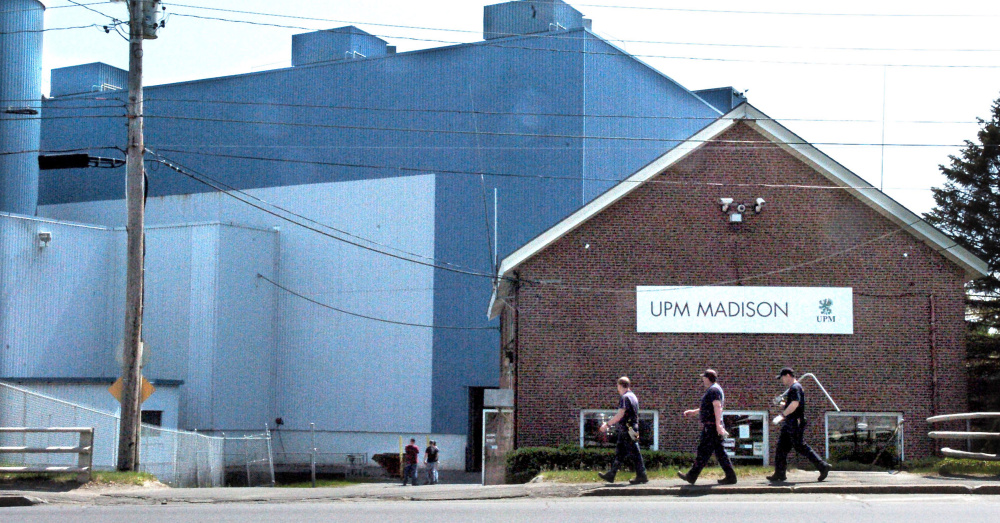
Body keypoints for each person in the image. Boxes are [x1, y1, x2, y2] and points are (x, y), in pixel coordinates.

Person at [767, 367, 831, 483]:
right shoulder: (794, 388)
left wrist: (782, 415)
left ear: (787, 375)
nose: (782, 381)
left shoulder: (795, 387)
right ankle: (779, 473)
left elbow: (795, 404)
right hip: (790, 422)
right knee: (781, 448)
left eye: (782, 378)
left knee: (800, 446)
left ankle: (823, 466)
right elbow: (791, 403)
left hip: (795, 422)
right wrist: (781, 403)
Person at [677, 369, 737, 485]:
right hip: (712, 427)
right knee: (719, 453)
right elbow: (709, 407)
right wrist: (694, 412)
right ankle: (730, 476)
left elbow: (717, 406)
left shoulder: (713, 390)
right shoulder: (714, 389)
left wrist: (718, 425)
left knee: (704, 452)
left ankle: (691, 476)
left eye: (703, 378)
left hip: (712, 427)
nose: (702, 380)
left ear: (708, 378)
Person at [597, 376, 648, 484]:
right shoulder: (633, 396)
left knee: (635, 451)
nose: (618, 389)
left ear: (620, 386)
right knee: (621, 452)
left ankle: (642, 475)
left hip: (627, 428)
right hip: (632, 427)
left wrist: (607, 424)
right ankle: (611, 474)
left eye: (618, 387)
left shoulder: (625, 397)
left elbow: (620, 414)